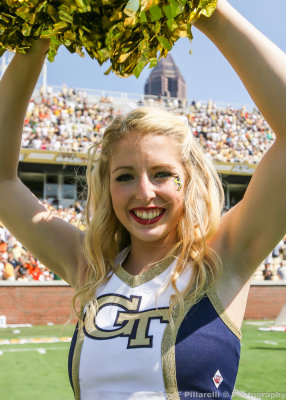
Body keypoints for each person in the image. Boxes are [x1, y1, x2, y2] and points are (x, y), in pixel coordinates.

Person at [0, 0, 286, 399]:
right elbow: (3, 183)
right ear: (108, 188)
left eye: (163, 174)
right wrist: (37, 33)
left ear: (190, 182)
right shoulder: (89, 266)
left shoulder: (224, 258)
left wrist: (207, 11)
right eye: (125, 177)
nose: (144, 192)